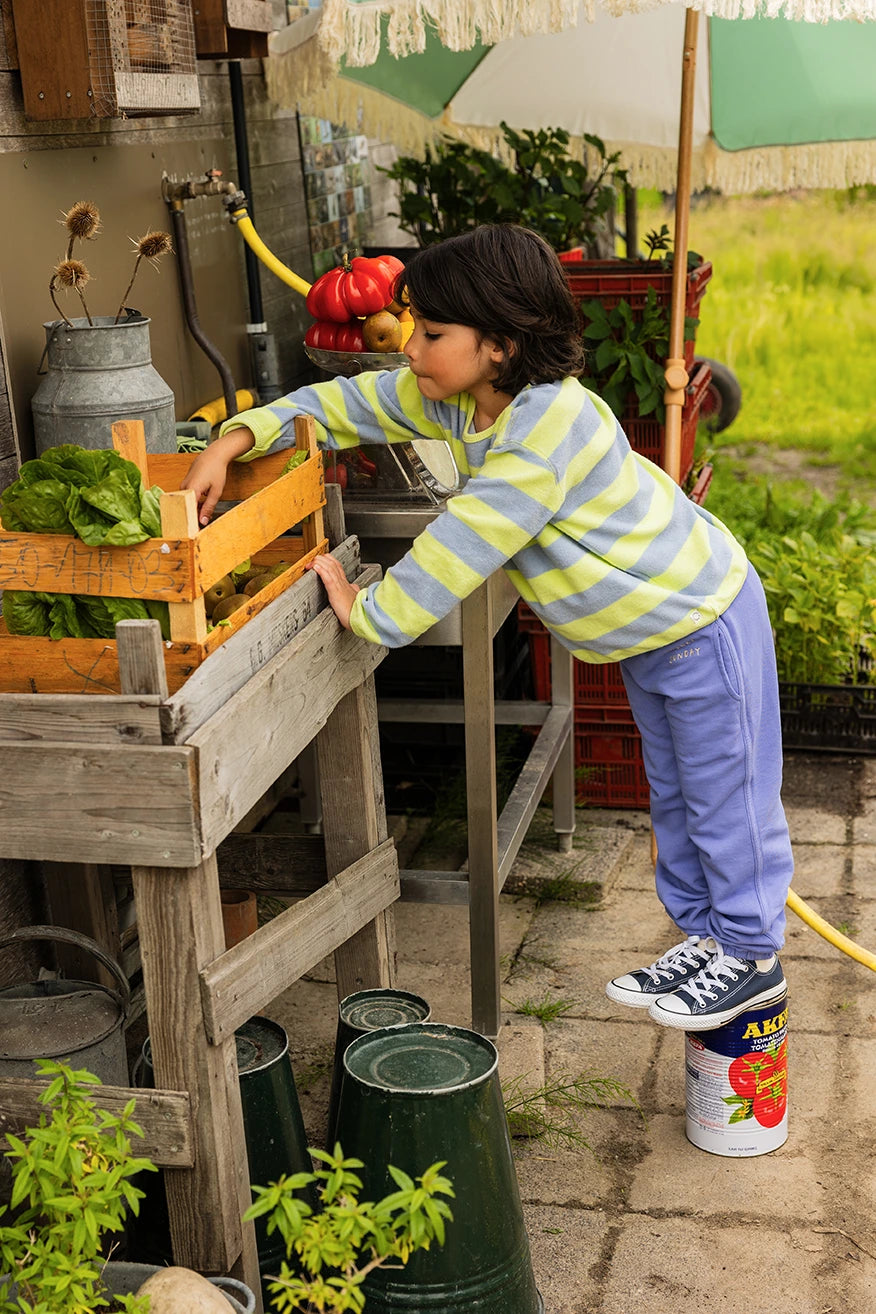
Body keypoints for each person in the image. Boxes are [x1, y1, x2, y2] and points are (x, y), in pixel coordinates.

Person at [182, 223, 792, 1032]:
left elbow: (463, 542)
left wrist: (372, 614)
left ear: (500, 345)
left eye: (432, 334)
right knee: (676, 799)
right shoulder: (469, 402)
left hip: (703, 624)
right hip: (649, 638)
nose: (409, 348)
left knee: (727, 799)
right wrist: (238, 436)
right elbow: (345, 402)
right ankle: (707, 937)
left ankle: (750, 955)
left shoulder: (546, 427)